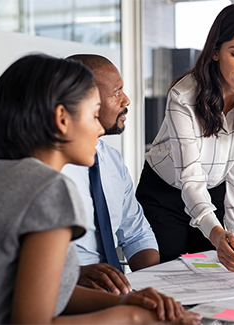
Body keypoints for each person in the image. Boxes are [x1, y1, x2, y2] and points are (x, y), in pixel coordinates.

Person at [0, 54, 201, 324]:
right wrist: (133, 317)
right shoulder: (49, 189)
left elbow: (39, 290)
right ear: (62, 119)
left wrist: (123, 300)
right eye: (94, 115)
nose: (100, 131)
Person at [136, 3, 234, 272]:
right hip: (165, 193)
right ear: (215, 51)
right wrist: (214, 232)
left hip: (215, 191)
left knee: (211, 277)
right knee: (170, 276)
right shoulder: (183, 96)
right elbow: (190, 177)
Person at [62, 54, 160, 295]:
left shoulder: (111, 159)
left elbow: (136, 232)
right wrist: (75, 275)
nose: (126, 100)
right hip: (69, 290)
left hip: (117, 291)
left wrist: (155, 285)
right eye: (116, 92)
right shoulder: (50, 170)